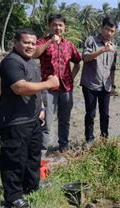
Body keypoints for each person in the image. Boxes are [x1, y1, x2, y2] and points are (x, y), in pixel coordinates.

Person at [0, 28, 59, 208]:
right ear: (15, 42)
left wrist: (42, 109)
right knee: (14, 160)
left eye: (33, 43)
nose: (30, 46)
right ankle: (13, 197)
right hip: (14, 121)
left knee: (33, 156)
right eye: (26, 42)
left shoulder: (30, 62)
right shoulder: (11, 62)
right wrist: (49, 83)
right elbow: (20, 88)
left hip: (32, 118)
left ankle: (31, 186)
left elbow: (35, 89)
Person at [34, 13, 81, 152]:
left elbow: (78, 62)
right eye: (54, 25)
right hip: (48, 88)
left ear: (64, 27)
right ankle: (42, 150)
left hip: (66, 88)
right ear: (49, 26)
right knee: (46, 122)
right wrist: (50, 42)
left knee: (64, 120)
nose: (57, 28)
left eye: (60, 25)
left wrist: (71, 77)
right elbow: (35, 54)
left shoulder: (69, 45)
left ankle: (63, 147)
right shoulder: (42, 42)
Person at [80, 17, 118, 143]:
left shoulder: (114, 47)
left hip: (106, 85)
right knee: (90, 113)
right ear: (101, 28)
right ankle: (89, 139)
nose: (109, 33)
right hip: (91, 83)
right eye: (107, 29)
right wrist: (102, 50)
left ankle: (104, 139)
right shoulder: (92, 41)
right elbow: (85, 58)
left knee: (105, 114)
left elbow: (112, 68)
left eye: (112, 31)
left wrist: (112, 84)